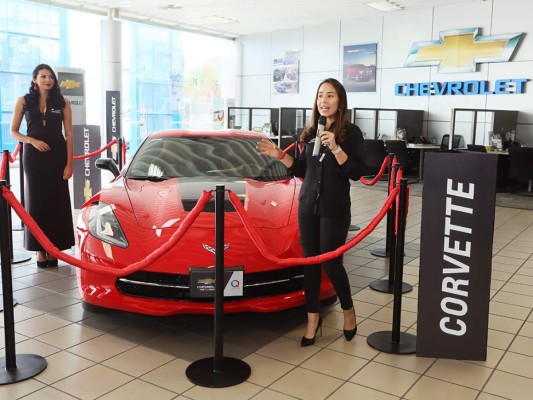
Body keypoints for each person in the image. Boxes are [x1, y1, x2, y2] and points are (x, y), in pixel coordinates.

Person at [257, 78, 366, 346]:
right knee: (310, 264)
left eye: (330, 96)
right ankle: (313, 319)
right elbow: (304, 171)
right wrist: (280, 155)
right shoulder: (308, 134)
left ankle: (348, 311)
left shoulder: (351, 133)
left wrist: (336, 148)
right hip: (307, 205)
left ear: (340, 101)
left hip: (334, 207)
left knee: (331, 262)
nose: (324, 101)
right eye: (320, 96)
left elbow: (355, 173)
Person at [10, 63, 75, 267]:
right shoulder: (24, 101)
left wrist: (69, 164)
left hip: (57, 156)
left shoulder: (62, 101)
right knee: (36, 202)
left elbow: (69, 134)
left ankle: (54, 247)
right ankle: (40, 249)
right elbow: (14, 131)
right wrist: (32, 141)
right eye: (43, 76)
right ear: (34, 80)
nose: (48, 80)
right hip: (33, 157)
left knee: (57, 201)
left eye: (50, 77)